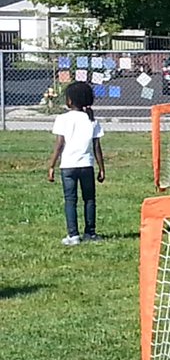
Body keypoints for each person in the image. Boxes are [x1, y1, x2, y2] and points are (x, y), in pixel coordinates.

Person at [47, 82, 105, 246]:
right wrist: (101, 168)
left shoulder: (62, 119)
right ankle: (90, 233)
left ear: (69, 101)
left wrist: (51, 166)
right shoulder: (92, 120)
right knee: (89, 199)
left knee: (70, 200)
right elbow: (97, 147)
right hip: (87, 166)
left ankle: (73, 235)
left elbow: (59, 145)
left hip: (68, 166)